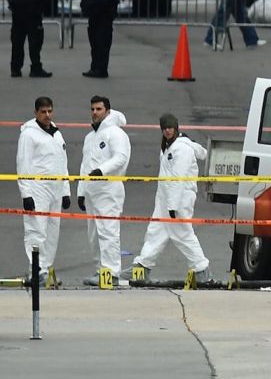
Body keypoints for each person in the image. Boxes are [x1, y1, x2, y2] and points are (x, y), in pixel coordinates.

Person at [122, 114, 212, 282]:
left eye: (170, 127)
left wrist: (173, 206)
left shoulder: (182, 149)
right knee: (155, 233)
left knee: (183, 235)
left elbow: (178, 179)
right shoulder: (168, 146)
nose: (167, 131)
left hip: (178, 201)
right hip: (165, 200)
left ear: (176, 128)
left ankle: (202, 270)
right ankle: (142, 267)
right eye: (164, 128)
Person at [77, 96, 131, 286]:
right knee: (94, 234)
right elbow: (85, 165)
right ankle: (101, 270)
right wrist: (81, 192)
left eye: (98, 109)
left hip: (109, 189)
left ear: (107, 111)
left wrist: (102, 170)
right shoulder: (90, 136)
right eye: (92, 109)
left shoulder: (115, 133)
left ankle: (112, 272)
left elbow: (121, 157)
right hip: (92, 191)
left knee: (108, 231)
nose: (94, 112)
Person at [16, 97, 70, 285]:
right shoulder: (29, 135)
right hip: (38, 189)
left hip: (55, 188)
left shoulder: (56, 133)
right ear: (36, 112)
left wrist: (65, 190)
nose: (47, 115)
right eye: (43, 112)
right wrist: (26, 194)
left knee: (52, 231)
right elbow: (22, 164)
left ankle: (45, 269)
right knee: (36, 230)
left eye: (50, 111)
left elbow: (63, 163)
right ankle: (35, 269)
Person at [80, 0, 118, 78]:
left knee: (102, 43)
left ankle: (101, 69)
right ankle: (94, 67)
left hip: (104, 17)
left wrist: (97, 3)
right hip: (93, 16)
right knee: (94, 44)